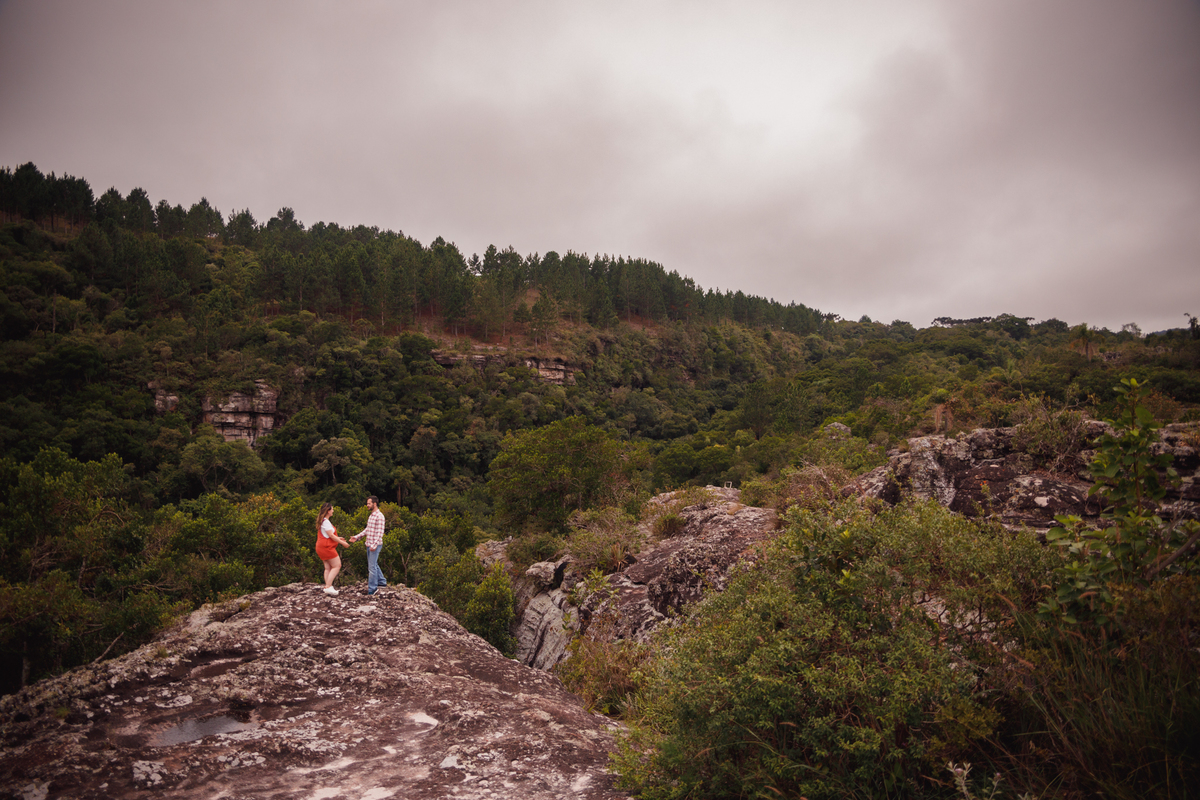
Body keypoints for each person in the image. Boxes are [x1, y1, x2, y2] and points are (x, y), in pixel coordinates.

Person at [351, 495, 387, 595]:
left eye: (369, 503)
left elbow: (380, 533)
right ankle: (382, 582)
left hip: (375, 545)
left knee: (371, 567)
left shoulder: (379, 516)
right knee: (373, 564)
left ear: (374, 504)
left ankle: (372, 589)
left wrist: (374, 545)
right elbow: (367, 530)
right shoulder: (371, 515)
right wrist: (357, 537)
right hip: (369, 544)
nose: (367, 505)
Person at [315, 502, 349, 596]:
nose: (333, 511)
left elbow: (329, 535)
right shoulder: (326, 522)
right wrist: (342, 543)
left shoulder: (323, 521)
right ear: (328, 511)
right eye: (332, 509)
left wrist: (339, 538)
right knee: (337, 565)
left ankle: (327, 586)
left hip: (321, 547)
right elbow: (331, 536)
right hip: (327, 547)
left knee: (328, 567)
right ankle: (329, 586)